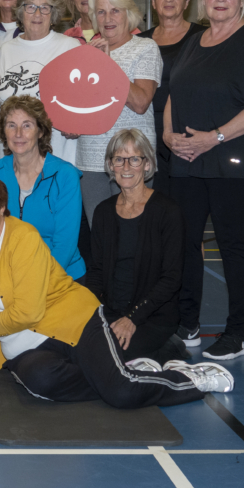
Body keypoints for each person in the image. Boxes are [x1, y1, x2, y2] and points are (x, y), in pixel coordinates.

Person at [0, 172, 234, 407]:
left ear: (1, 207)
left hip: (73, 321)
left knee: (121, 393)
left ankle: (193, 380)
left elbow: (28, 312)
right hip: (25, 348)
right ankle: (129, 373)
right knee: (41, 383)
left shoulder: (23, 238)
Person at [164, 0, 244, 360]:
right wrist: (168, 136)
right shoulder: (193, 42)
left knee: (232, 244)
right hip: (187, 159)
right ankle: (187, 324)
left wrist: (213, 138)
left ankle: (238, 333)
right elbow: (174, 93)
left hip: (231, 159)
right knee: (185, 242)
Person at [87, 129, 187, 363]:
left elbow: (171, 278)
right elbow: (97, 271)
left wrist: (132, 318)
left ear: (147, 164)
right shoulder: (103, 211)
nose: (126, 167)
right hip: (111, 311)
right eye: (119, 159)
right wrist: (90, 312)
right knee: (77, 348)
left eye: (134, 159)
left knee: (110, 356)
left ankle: (170, 347)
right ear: (110, 165)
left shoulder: (168, 211)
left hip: (152, 315)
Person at [77, 0, 161, 226]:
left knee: (134, 233)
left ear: (128, 13)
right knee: (100, 233)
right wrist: (71, 125)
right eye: (101, 12)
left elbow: (141, 103)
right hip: (91, 159)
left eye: (115, 10)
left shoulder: (145, 47)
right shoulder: (85, 54)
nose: (108, 18)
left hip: (132, 158)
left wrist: (108, 65)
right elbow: (80, 107)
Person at [0, 96, 85, 281]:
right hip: (9, 275)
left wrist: (34, 282)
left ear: (40, 131)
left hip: (60, 275)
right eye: (11, 125)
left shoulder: (65, 176)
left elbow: (65, 245)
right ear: (3, 132)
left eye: (27, 125)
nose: (18, 133)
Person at [0, 0, 81, 165]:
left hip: (58, 154)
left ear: (53, 14)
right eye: (30, 7)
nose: (37, 14)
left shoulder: (70, 47)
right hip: (15, 156)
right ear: (21, 12)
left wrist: (77, 123)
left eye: (44, 8)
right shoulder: (5, 50)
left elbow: (84, 99)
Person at [139, 0, 205, 196]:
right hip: (146, 136)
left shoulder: (204, 38)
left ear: (187, 1)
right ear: (153, 0)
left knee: (185, 207)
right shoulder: (139, 42)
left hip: (187, 137)